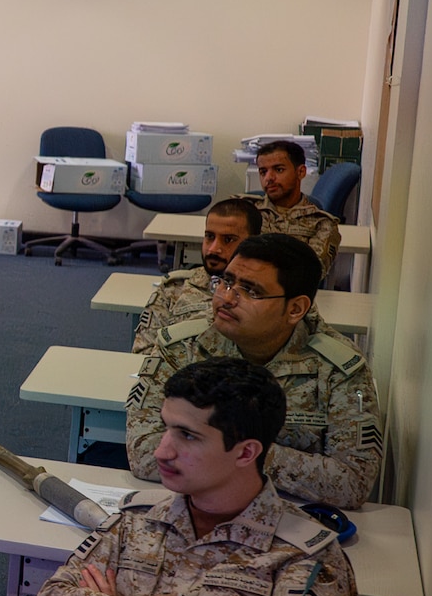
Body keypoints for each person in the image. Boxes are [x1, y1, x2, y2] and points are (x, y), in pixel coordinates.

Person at [37, 358, 356, 596]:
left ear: (245, 452)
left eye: (187, 436)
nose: (161, 451)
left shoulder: (306, 558)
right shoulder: (136, 520)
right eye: (165, 427)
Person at [128, 233, 380, 509]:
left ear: (296, 308)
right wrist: (239, 457)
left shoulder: (338, 369)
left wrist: (235, 452)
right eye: (226, 281)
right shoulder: (183, 347)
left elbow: (352, 484)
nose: (226, 298)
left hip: (290, 519)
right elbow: (143, 453)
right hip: (194, 508)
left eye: (251, 291)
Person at [132, 198, 262, 352]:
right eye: (210, 237)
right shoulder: (174, 288)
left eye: (228, 240)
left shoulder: (264, 296)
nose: (213, 249)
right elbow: (143, 354)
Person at [244, 139, 341, 277]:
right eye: (263, 172)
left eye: (279, 170)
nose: (269, 178)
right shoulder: (246, 211)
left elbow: (310, 274)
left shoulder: (321, 224)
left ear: (301, 172)